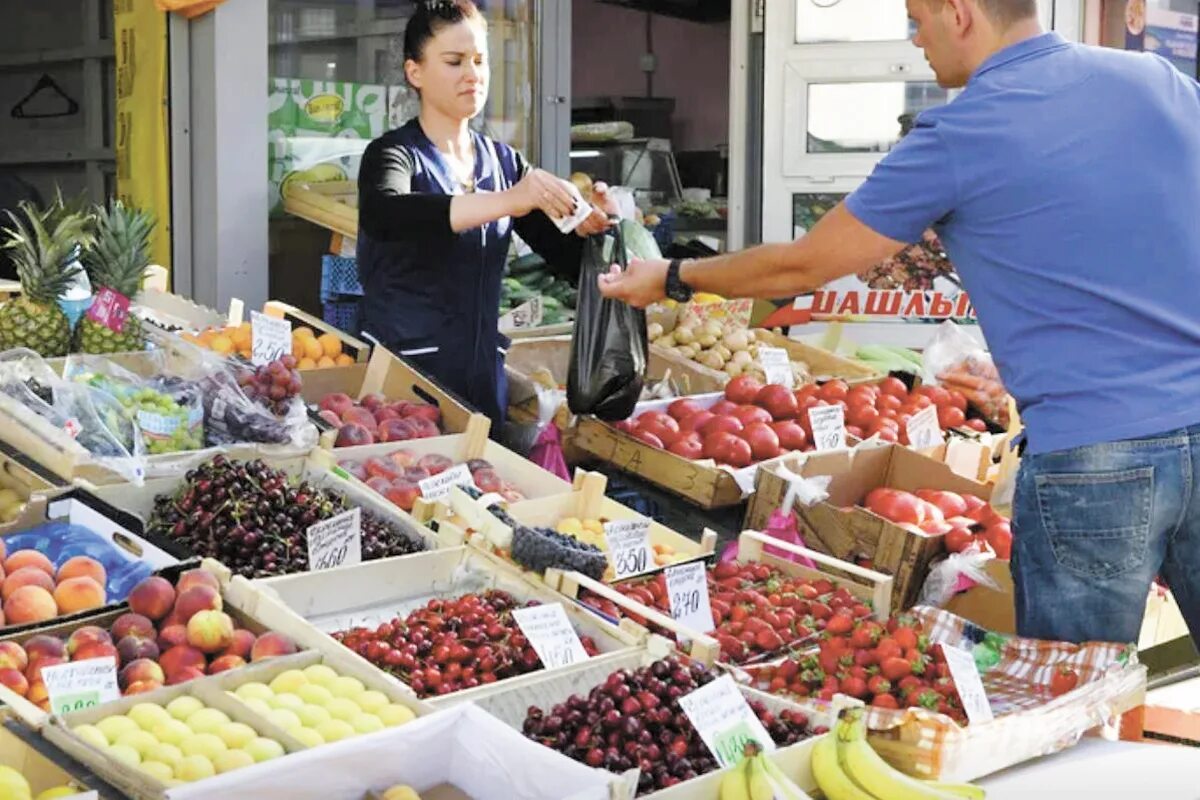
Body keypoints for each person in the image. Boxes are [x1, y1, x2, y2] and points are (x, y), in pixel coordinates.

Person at [599, 0, 1200, 647]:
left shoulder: (961, 133)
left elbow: (801, 266)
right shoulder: (1159, 82)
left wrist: (670, 277)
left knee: (1072, 706)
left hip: (1095, 460)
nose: (915, 39)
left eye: (917, 18)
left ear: (960, 12)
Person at [357, 0, 612, 428]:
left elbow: (569, 259)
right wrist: (510, 200)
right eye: (454, 61)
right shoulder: (392, 155)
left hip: (480, 379)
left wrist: (599, 228)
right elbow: (387, 215)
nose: (473, 75)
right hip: (404, 386)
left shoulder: (503, 163)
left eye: (480, 61)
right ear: (414, 72)